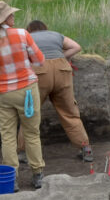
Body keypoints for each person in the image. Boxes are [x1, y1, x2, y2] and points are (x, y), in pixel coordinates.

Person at [0, 1, 46, 189]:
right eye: (11, 14)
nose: (14, 16)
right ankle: (38, 174)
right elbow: (40, 61)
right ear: (5, 19)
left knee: (7, 136)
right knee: (32, 133)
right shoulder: (23, 34)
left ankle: (12, 178)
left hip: (3, 94)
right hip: (27, 92)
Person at [25, 20, 93, 162]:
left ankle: (22, 151)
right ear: (45, 28)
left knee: (30, 112)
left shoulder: (27, 37)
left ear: (30, 29)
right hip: (63, 70)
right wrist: (63, 57)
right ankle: (85, 148)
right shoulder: (56, 35)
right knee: (70, 112)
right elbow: (76, 47)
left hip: (40, 72)